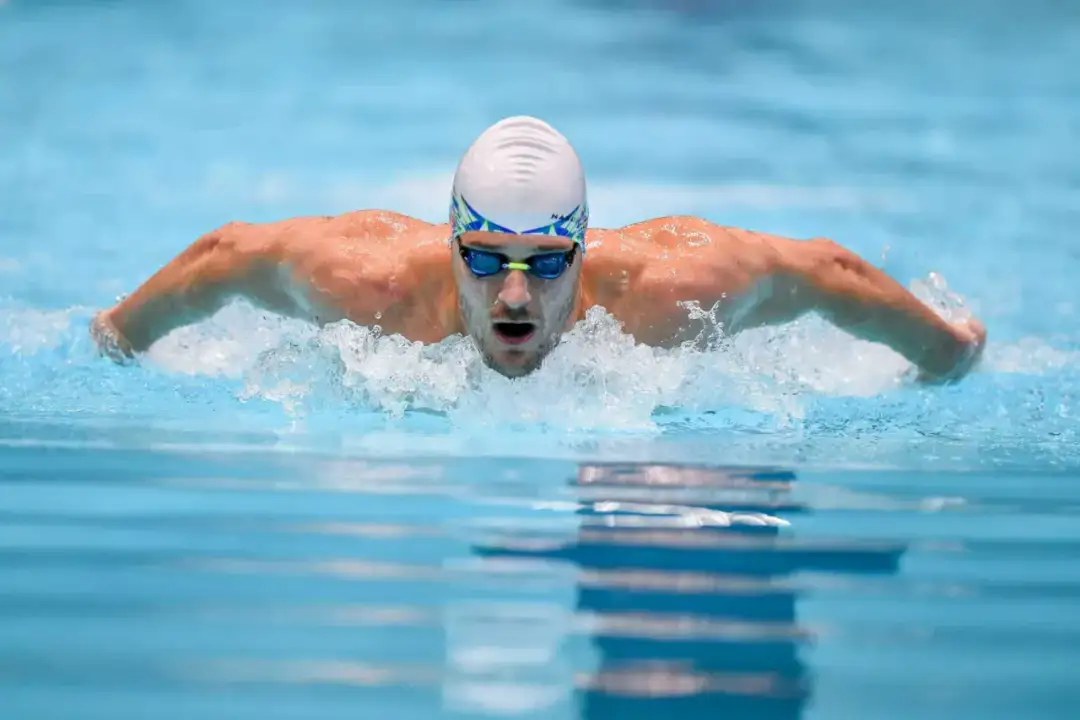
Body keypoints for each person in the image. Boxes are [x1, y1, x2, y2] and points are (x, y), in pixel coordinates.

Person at [91, 115, 986, 382]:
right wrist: (114, 339)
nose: (512, 295)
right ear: (447, 245)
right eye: (483, 257)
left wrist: (946, 353)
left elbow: (830, 272)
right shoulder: (367, 285)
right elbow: (223, 254)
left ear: (583, 250)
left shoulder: (671, 290)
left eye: (545, 263)